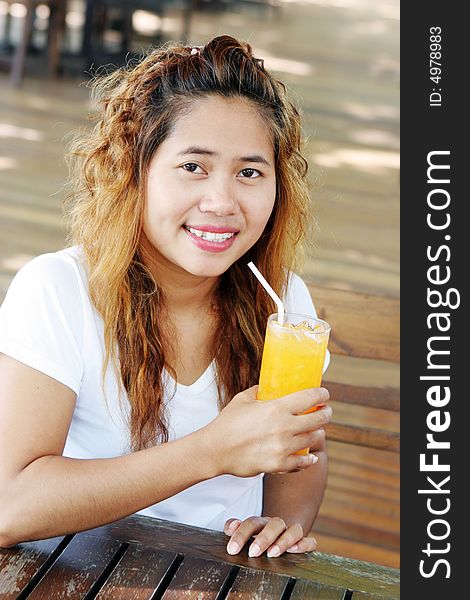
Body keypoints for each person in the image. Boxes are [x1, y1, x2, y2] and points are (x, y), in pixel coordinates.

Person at [0, 35, 332, 558]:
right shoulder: (58, 292)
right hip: (73, 572)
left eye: (249, 172)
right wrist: (212, 451)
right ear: (136, 171)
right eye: (192, 167)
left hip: (222, 575)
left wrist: (281, 525)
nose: (221, 201)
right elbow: (9, 507)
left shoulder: (284, 303)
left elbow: (303, 448)